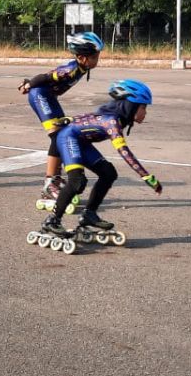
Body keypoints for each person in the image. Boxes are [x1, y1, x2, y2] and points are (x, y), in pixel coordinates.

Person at [40, 79, 163, 239]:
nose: (145, 112)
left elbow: (92, 116)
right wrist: (146, 176)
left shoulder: (116, 117)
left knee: (109, 173)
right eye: (143, 107)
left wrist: (70, 119)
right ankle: (52, 221)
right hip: (68, 138)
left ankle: (89, 214)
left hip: (80, 141)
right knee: (76, 181)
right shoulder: (112, 123)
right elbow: (125, 153)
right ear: (130, 105)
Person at [18, 31, 103, 201]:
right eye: (95, 57)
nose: (97, 60)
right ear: (82, 57)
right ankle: (49, 184)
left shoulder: (81, 67)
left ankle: (55, 179)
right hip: (41, 96)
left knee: (63, 134)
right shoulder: (71, 69)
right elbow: (46, 76)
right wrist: (29, 84)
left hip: (49, 97)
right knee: (58, 136)